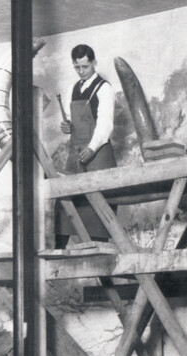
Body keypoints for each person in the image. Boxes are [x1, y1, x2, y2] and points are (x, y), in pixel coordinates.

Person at [57, 44, 117, 245]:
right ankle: (59, 251)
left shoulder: (104, 88)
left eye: (85, 67)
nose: (82, 71)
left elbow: (105, 123)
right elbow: (71, 122)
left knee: (98, 211)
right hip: (76, 153)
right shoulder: (72, 89)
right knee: (65, 201)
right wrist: (67, 127)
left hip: (98, 153)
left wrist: (92, 147)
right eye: (77, 67)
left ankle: (102, 271)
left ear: (94, 63)